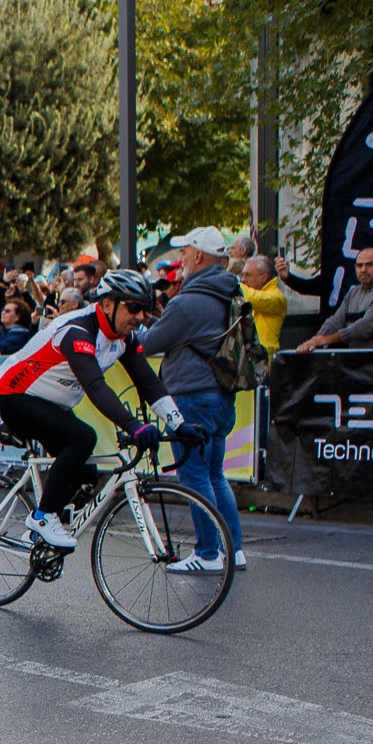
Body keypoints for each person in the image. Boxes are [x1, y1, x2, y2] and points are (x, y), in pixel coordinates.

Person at [0, 270, 191, 551]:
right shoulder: (78, 330)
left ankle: (39, 535)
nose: (140, 316)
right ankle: (42, 518)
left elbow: (148, 383)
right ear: (108, 304)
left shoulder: (124, 337)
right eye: (133, 307)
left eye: (144, 309)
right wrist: (133, 426)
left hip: (53, 403)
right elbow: (95, 386)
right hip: (17, 397)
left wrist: (179, 424)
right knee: (82, 437)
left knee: (86, 477)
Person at [137, 228, 246, 572]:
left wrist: (135, 328)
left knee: (195, 477)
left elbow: (149, 343)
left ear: (198, 255)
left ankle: (208, 553)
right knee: (215, 474)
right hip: (221, 394)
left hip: (191, 395)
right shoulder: (230, 291)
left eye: (184, 251)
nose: (180, 258)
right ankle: (234, 550)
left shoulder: (187, 300)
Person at [295, 247, 373, 352]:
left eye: (369, 265)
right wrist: (316, 339)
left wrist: (326, 339)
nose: (363, 269)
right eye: (359, 265)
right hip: (360, 365)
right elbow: (336, 321)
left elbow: (366, 327)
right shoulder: (353, 293)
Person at [237, 255, 288, 354]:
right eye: (242, 275)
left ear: (264, 277)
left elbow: (254, 298)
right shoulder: (254, 292)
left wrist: (233, 283)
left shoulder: (277, 298)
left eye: (248, 275)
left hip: (265, 360)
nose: (243, 279)